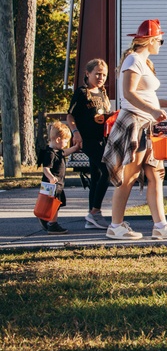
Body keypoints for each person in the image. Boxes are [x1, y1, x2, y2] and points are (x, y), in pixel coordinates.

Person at [102, 19, 167, 240]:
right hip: (136, 123)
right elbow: (129, 94)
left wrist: (166, 104)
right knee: (129, 176)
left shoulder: (144, 62)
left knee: (156, 175)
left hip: (148, 125)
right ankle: (116, 225)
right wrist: (153, 110)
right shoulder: (133, 59)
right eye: (161, 40)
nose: (161, 44)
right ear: (150, 40)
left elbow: (143, 94)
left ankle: (160, 225)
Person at [67, 58, 112, 229]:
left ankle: (91, 219)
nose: (101, 77)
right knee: (107, 171)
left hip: (102, 139)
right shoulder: (81, 92)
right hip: (87, 140)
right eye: (97, 74)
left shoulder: (102, 93)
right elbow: (70, 115)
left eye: (104, 75)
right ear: (88, 73)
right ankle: (95, 212)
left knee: (97, 176)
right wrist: (75, 132)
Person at [38, 122, 81, 234]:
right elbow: (46, 168)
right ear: (58, 139)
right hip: (52, 185)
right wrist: (51, 178)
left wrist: (75, 148)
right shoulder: (50, 153)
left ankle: (46, 219)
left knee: (56, 203)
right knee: (53, 204)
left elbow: (65, 153)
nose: (66, 143)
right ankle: (52, 224)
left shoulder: (58, 152)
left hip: (58, 184)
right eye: (65, 141)